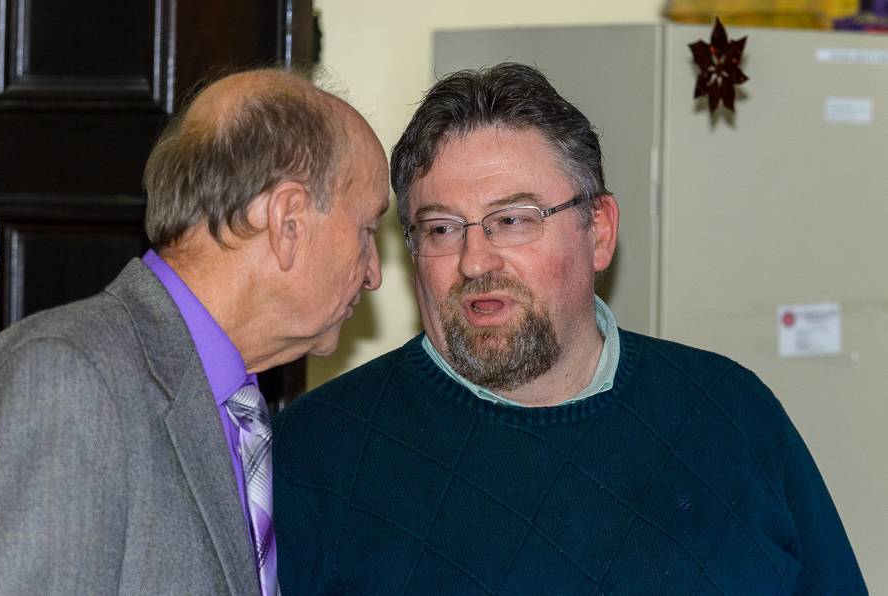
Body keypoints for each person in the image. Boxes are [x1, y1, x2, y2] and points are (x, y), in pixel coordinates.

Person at [271, 63, 866, 595]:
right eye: (442, 229)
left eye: (512, 220)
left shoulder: (732, 413)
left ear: (599, 231)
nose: (475, 261)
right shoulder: (321, 452)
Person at [0, 68, 388, 594]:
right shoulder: (68, 377)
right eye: (366, 229)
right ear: (287, 220)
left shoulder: (239, 410)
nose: (374, 272)